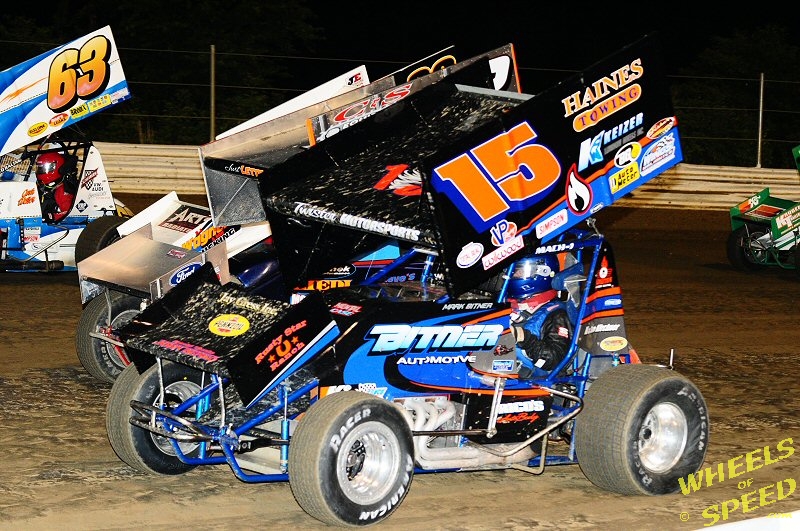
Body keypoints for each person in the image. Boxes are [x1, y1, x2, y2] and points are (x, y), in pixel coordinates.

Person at [507, 253, 573, 379]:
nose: (514, 274)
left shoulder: (557, 314)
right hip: (493, 375)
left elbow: (554, 360)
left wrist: (523, 337)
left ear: (543, 272)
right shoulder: (505, 305)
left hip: (534, 382)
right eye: (514, 271)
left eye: (520, 271)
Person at [35, 151, 79, 223]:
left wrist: (51, 217)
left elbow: (71, 214)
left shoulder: (62, 190)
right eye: (40, 168)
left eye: (43, 168)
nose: (41, 171)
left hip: (55, 227)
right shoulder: (41, 187)